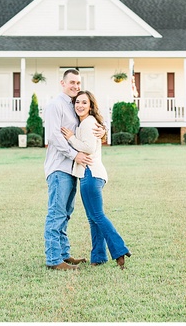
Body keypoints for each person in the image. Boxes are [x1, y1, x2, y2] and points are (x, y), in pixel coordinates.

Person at [61, 90, 132, 269]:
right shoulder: (87, 123)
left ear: (90, 106)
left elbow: (89, 148)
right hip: (93, 174)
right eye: (77, 102)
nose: (80, 105)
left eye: (84, 102)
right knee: (93, 218)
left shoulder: (88, 123)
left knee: (97, 216)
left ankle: (119, 249)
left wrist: (70, 138)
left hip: (90, 173)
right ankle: (98, 257)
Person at [43, 69, 105, 271]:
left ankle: (64, 254)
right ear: (62, 83)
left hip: (72, 170)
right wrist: (74, 155)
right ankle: (54, 259)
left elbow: (87, 128)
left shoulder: (74, 105)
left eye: (78, 83)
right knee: (56, 213)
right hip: (59, 167)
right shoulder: (55, 105)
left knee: (66, 212)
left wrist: (102, 130)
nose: (75, 86)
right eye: (72, 82)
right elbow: (54, 136)